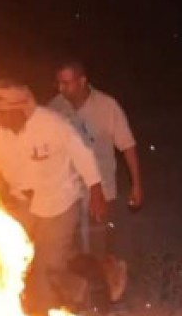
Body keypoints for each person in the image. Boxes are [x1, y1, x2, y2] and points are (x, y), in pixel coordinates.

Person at [0, 79, 107, 313]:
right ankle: (86, 271)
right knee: (6, 256)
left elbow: (82, 154)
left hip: (59, 202)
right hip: (21, 204)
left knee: (46, 268)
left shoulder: (51, 124)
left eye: (2, 113)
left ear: (19, 111)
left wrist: (96, 190)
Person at [47, 60, 141, 302]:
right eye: (58, 83)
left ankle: (106, 297)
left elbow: (128, 146)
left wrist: (137, 185)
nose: (61, 88)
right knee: (71, 250)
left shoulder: (107, 107)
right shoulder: (54, 109)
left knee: (98, 248)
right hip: (66, 192)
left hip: (102, 189)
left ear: (82, 81)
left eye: (67, 83)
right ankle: (80, 300)